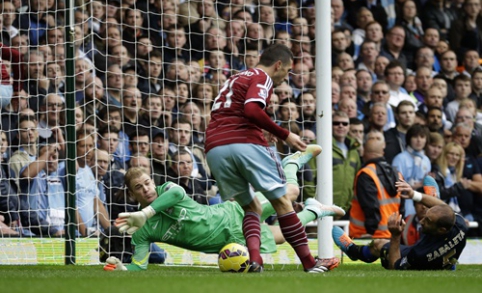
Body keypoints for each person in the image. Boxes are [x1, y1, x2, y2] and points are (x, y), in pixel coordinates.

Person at [203, 43, 334, 273]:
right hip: (244, 144)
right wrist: (285, 134)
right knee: (283, 202)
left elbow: (231, 111)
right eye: (288, 70)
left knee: (251, 206)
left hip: (215, 147)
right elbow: (252, 109)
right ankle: (310, 263)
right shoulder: (263, 77)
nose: (287, 76)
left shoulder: (235, 78)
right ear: (278, 64)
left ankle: (255, 261)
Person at [105, 158, 345, 271]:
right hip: (231, 240)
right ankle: (315, 209)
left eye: (147, 182)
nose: (146, 189)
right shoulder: (141, 230)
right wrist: (124, 269)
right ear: (132, 194)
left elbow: (177, 193)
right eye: (139, 187)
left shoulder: (167, 189)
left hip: (231, 213)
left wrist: (146, 212)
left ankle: (291, 163)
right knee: (282, 235)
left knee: (290, 192)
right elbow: (140, 265)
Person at [333, 177, 468, 270]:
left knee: (378, 244)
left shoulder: (420, 254)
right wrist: (413, 194)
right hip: (444, 256)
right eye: (425, 217)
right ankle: (433, 199)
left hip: (430, 259)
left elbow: (395, 267)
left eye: (427, 221)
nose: (421, 221)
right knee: (442, 211)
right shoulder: (460, 225)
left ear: (442, 230)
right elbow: (447, 210)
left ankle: (353, 251)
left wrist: (395, 235)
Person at [349, 138, 403, 239]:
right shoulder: (397, 174)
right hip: (391, 234)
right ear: (382, 152)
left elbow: (370, 206)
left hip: (366, 236)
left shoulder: (366, 174)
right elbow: (402, 208)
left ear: (365, 151)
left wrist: (371, 231)